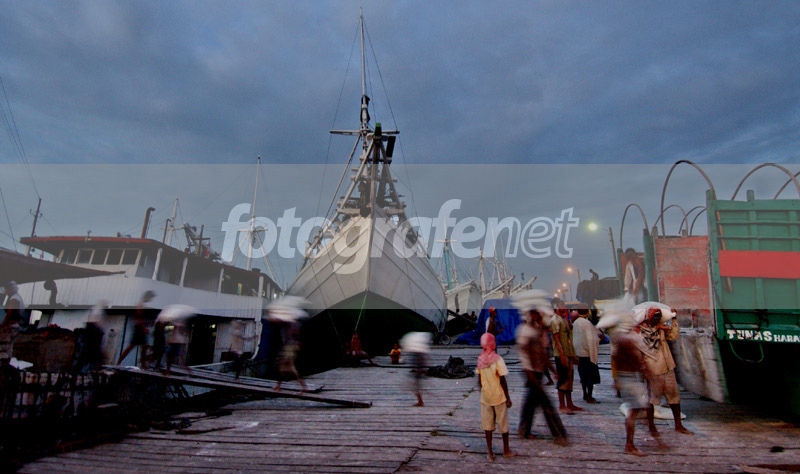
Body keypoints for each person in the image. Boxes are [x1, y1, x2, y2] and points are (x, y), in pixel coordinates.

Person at [516, 301, 568, 446]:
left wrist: (553, 370)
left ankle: (524, 429)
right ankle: (559, 434)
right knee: (546, 405)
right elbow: (525, 357)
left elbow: (543, 355)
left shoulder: (536, 331)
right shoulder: (525, 332)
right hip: (531, 373)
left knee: (531, 404)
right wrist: (531, 376)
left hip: (537, 372)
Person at [600, 310, 651, 456]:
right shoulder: (627, 340)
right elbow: (636, 361)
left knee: (635, 411)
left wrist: (617, 380)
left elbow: (616, 359)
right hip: (631, 379)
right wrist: (644, 371)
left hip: (624, 378)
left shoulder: (619, 339)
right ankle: (630, 445)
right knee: (633, 413)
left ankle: (632, 443)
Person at [638, 307, 693, 436]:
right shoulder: (640, 332)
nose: (656, 320)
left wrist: (674, 319)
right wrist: (643, 370)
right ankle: (652, 427)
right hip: (653, 370)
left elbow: (674, 335)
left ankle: (678, 425)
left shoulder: (661, 329)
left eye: (658, 317)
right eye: (654, 317)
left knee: (674, 397)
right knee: (651, 399)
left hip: (667, 367)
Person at [476, 332, 515, 461]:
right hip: (499, 397)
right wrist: (508, 397)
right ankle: (506, 450)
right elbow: (502, 380)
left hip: (485, 397)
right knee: (503, 425)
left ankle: (490, 453)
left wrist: (484, 390)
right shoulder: (497, 359)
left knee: (487, 426)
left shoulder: (480, 359)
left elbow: (479, 379)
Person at [551, 301, 583, 414]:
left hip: (568, 352)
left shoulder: (563, 320)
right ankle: (562, 405)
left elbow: (569, 332)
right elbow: (557, 339)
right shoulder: (555, 321)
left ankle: (569, 403)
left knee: (569, 378)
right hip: (561, 354)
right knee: (563, 379)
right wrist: (562, 355)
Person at [117, 290, 155, 368]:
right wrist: (144, 328)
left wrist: (147, 324)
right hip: (138, 329)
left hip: (139, 328)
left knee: (143, 346)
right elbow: (137, 319)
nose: (150, 299)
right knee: (132, 346)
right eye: (150, 298)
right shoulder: (140, 305)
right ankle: (118, 362)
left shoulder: (142, 305)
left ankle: (143, 364)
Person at [572, 304, 601, 404]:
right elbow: (591, 339)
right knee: (590, 377)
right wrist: (598, 340)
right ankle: (589, 396)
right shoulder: (587, 323)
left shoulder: (576, 322)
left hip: (579, 353)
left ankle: (585, 393)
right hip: (588, 354)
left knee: (583, 376)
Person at [400, 332, 430, 407]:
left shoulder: (417, 354)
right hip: (419, 371)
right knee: (416, 387)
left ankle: (420, 401)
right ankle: (420, 401)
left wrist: (419, 369)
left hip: (418, 372)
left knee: (416, 387)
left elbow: (420, 362)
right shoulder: (419, 353)